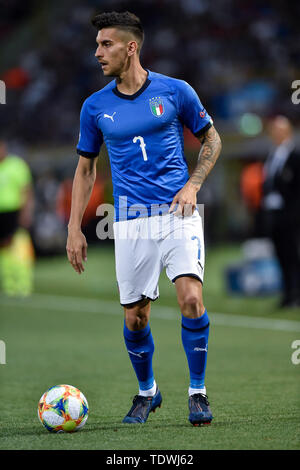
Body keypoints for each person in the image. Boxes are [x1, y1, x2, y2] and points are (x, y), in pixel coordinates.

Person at [66, 11, 221, 426]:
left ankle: (198, 393)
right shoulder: (95, 106)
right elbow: (85, 169)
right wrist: (74, 227)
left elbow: (211, 137)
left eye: (106, 44)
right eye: (98, 44)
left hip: (177, 212)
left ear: (130, 47)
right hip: (131, 220)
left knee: (191, 298)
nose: (98, 52)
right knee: (136, 316)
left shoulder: (175, 91)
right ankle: (147, 392)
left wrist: (193, 185)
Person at [262, 115, 300, 308]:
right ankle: (287, 294)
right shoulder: (272, 155)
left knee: (293, 254)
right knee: (281, 254)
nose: (274, 134)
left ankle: (296, 294)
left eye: (278, 130)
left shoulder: (294, 155)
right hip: (274, 213)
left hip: (291, 215)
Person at [0, 138, 34, 296]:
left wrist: (25, 213)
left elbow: (26, 191)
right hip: (2, 214)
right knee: (4, 251)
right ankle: (8, 285)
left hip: (14, 212)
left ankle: (23, 285)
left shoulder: (17, 166)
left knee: (18, 248)